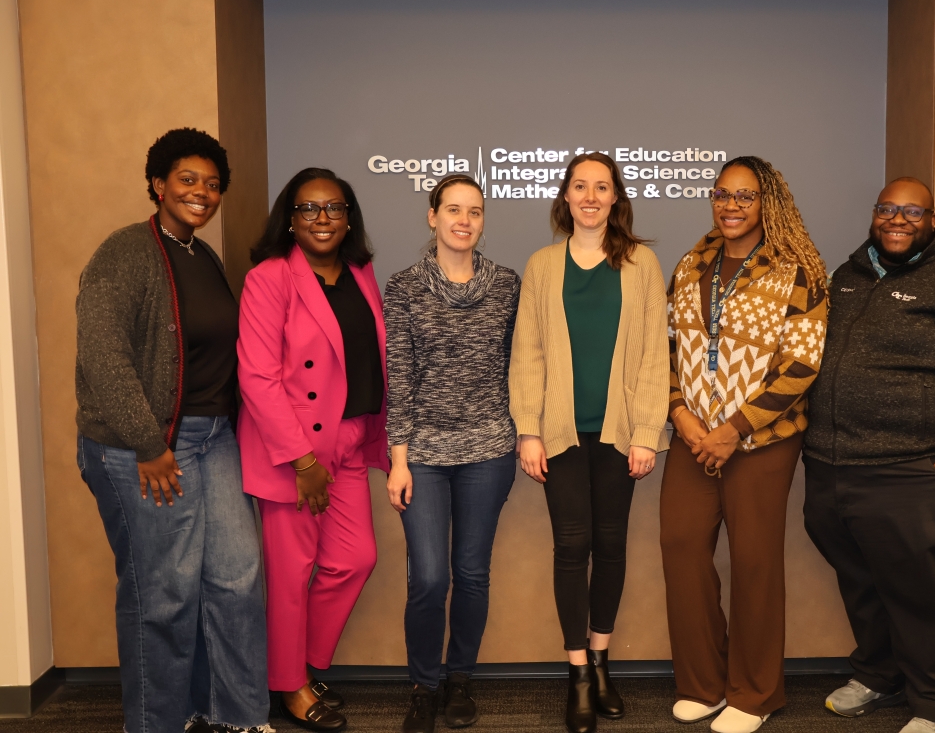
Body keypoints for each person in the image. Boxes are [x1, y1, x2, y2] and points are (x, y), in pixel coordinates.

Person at [803, 177, 935, 733]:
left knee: (925, 593)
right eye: (887, 209)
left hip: (917, 470)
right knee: (863, 581)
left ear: (932, 219)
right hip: (834, 466)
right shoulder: (847, 277)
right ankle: (880, 675)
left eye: (912, 211)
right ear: (874, 214)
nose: (897, 220)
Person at [75, 128, 270, 733]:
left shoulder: (201, 256)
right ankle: (157, 723)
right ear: (158, 184)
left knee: (237, 580)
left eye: (213, 185)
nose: (202, 193)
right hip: (146, 448)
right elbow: (103, 356)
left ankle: (235, 716)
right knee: (163, 595)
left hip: (215, 440)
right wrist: (151, 444)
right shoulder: (126, 252)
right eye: (188, 180)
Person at [660, 156, 829, 733]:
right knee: (682, 549)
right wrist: (680, 415)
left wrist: (735, 429)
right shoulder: (690, 264)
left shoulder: (796, 269)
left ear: (768, 203)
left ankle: (755, 693)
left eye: (745, 196)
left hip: (762, 440)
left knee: (755, 562)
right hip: (691, 435)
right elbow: (664, 348)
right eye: (722, 194)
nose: (730, 206)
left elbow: (803, 364)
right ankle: (703, 684)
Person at [509, 152, 670, 733]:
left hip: (620, 433)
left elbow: (656, 352)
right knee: (571, 545)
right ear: (566, 196)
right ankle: (577, 673)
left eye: (602, 187)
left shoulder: (642, 264)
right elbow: (526, 350)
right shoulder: (543, 265)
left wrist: (648, 433)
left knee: (612, 545)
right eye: (581, 186)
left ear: (616, 197)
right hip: (559, 433)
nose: (591, 196)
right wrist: (528, 428)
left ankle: (601, 660)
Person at [238, 167, 388, 732]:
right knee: (291, 570)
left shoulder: (360, 272)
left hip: (347, 438)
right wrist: (301, 461)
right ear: (290, 219)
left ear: (350, 217)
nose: (322, 219)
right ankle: (291, 687)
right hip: (294, 448)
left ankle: (303, 664)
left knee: (354, 559)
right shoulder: (270, 278)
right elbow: (257, 377)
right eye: (308, 209)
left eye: (334, 208)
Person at [384, 175, 521, 733]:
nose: (464, 220)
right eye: (453, 210)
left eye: (475, 211)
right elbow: (400, 375)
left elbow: (524, 365)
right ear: (432, 216)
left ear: (483, 220)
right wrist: (398, 459)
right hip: (423, 452)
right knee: (430, 578)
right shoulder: (404, 286)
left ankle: (459, 677)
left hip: (489, 449)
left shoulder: (508, 284)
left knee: (471, 572)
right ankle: (424, 684)